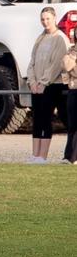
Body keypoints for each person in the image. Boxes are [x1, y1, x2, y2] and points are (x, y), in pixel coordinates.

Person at [26, 7, 70, 164]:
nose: (45, 22)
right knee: (37, 119)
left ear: (54, 18)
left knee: (46, 119)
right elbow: (32, 61)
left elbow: (57, 64)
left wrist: (43, 82)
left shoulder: (60, 38)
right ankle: (35, 154)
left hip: (52, 86)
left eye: (48, 19)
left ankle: (42, 156)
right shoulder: (40, 37)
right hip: (36, 86)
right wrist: (32, 82)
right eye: (43, 19)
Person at [62, 30, 77, 164]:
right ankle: (68, 156)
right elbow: (66, 66)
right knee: (72, 125)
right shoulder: (71, 51)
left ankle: (74, 157)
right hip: (73, 91)